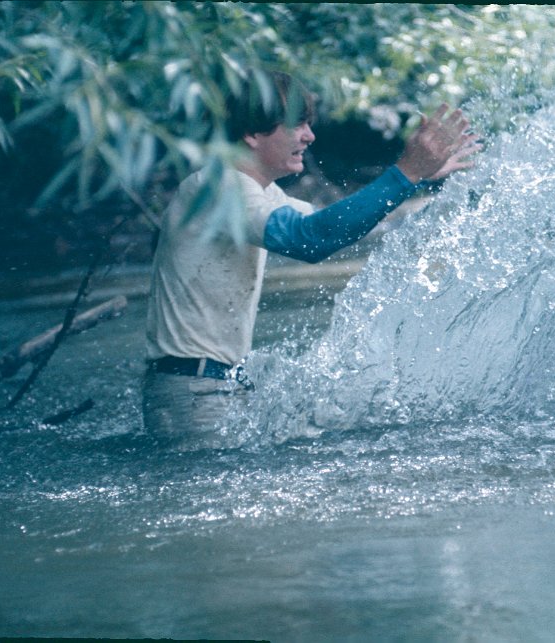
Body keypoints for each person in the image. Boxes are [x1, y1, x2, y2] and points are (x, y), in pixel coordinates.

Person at [142, 70, 481, 444]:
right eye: (297, 124)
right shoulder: (220, 188)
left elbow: (332, 225)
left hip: (209, 387)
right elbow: (311, 240)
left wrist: (415, 179)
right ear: (253, 134)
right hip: (194, 395)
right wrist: (404, 174)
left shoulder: (255, 192)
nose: (309, 136)